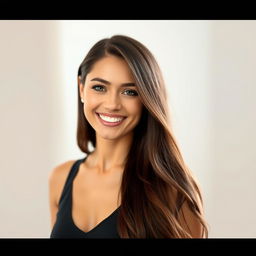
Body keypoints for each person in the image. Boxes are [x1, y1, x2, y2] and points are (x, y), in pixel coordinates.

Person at [48, 35, 208, 238]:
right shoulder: (60, 178)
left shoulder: (173, 190)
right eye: (99, 87)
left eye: (130, 92)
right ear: (81, 88)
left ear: (147, 99)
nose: (112, 104)